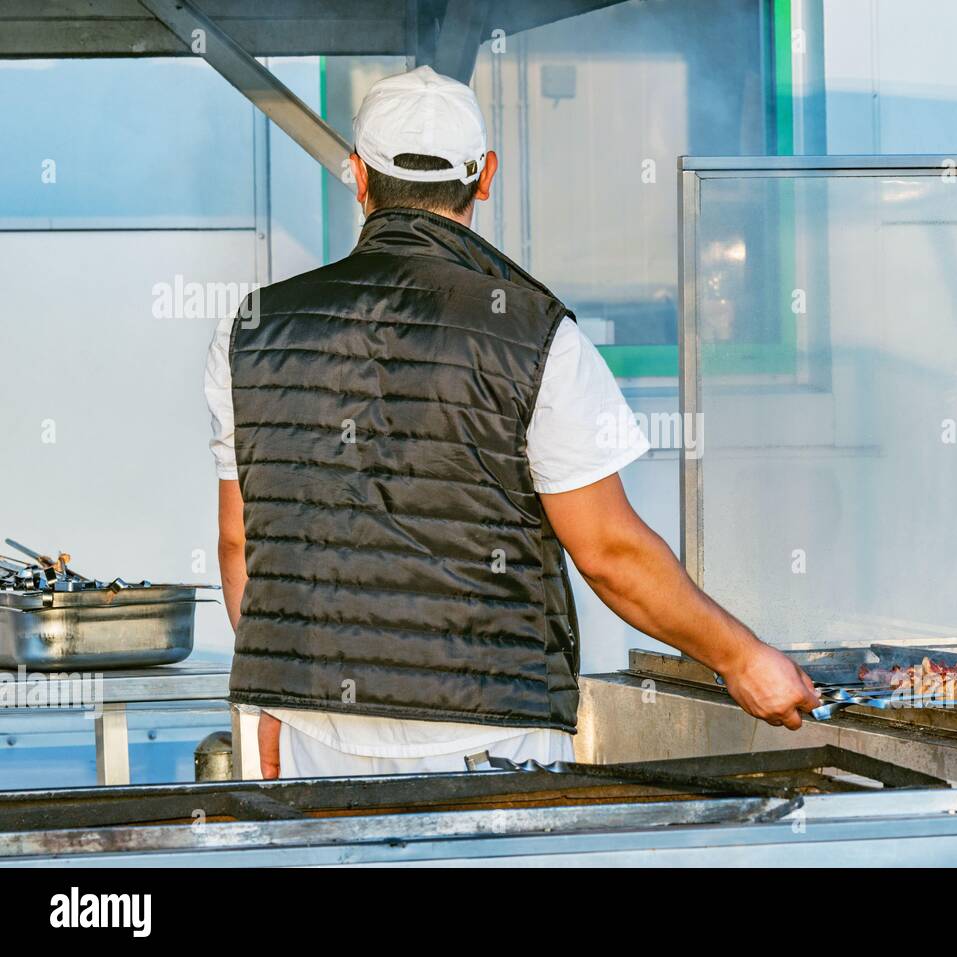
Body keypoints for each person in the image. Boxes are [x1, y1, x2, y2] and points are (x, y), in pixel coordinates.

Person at [204, 65, 819, 779]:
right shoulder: (535, 334)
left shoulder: (251, 329)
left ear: (358, 177)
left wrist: (269, 695)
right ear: (485, 175)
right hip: (487, 734)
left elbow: (238, 540)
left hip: (317, 736)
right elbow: (610, 555)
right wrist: (741, 657)